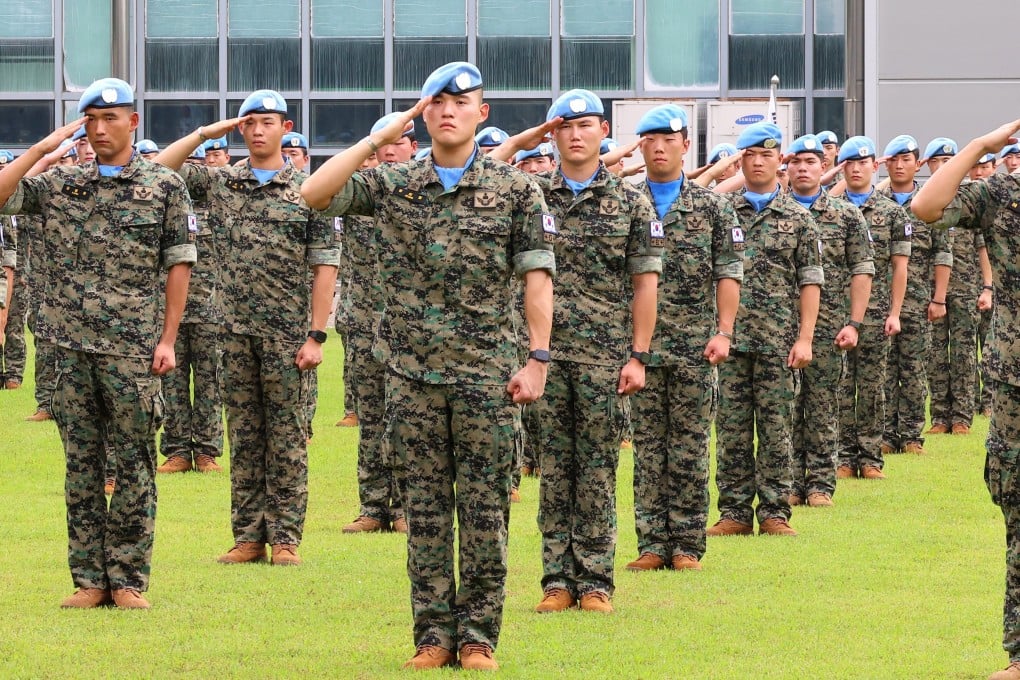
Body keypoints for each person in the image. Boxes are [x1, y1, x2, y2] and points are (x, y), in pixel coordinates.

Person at [301, 62, 555, 671]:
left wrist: (538, 358)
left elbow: (537, 280)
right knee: (426, 515)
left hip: (487, 376)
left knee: (486, 512)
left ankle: (477, 639)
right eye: (435, 101)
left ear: (481, 113)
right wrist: (378, 139)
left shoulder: (515, 190)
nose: (447, 110)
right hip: (412, 377)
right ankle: (433, 636)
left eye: (460, 101)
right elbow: (313, 195)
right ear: (423, 112)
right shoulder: (395, 183)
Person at [0, 77, 197, 609]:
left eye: (112, 118)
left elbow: (178, 263)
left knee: (134, 462)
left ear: (134, 122)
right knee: (81, 463)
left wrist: (168, 338)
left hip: (133, 348)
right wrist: (43, 149)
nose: (101, 128)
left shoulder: (162, 186)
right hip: (68, 349)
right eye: (92, 119)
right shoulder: (62, 184)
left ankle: (128, 580)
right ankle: (89, 579)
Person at [490, 89, 660, 611]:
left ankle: (595, 581)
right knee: (552, 470)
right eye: (564, 126)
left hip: (605, 357)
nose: (576, 133)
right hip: (543, 357)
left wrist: (639, 355)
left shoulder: (632, 200)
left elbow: (645, 283)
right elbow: (484, 167)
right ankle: (557, 581)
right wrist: (525, 139)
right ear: (552, 135)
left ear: (604, 131)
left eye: (586, 124)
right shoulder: (529, 194)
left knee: (598, 469)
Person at [156, 88, 340, 567]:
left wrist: (317, 334)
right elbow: (160, 170)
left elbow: (325, 266)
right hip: (232, 331)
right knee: (244, 435)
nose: (258, 131)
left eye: (268, 122)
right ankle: (248, 536)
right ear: (240, 129)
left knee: (287, 438)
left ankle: (286, 539)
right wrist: (203, 132)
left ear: (285, 127)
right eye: (250, 123)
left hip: (287, 335)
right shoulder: (223, 183)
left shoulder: (308, 189)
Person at [911, 117, 1020, 680]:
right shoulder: (1002, 194)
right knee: (1017, 505)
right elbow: (926, 208)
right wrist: (980, 146)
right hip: (1014, 380)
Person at [622, 104, 741, 571]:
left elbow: (729, 271)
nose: (658, 146)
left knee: (690, 447)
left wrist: (724, 330)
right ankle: (652, 542)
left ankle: (688, 543)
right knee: (648, 448)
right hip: (641, 351)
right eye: (650, 139)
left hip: (694, 345)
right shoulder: (628, 202)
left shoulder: (712, 206)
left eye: (668, 139)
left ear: (686, 145)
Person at [707, 122, 823, 538]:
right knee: (733, 429)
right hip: (730, 342)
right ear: (741, 161)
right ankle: (734, 512)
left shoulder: (798, 219)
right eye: (750, 155)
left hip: (777, 341)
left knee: (777, 429)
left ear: (781, 162)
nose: (758, 162)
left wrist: (806, 337)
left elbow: (810, 280)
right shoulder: (722, 213)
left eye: (767, 155)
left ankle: (775, 511)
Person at [786, 134, 874, 507]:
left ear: (824, 168)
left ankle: (820, 483)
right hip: (778, 327)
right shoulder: (774, 212)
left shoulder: (845, 215)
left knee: (821, 406)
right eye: (796, 163)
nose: (803, 169)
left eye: (810, 163)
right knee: (783, 409)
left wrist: (854, 322)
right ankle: (787, 483)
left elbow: (862, 270)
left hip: (827, 328)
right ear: (786, 168)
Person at [340, 113, 414, 535]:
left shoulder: (420, 194)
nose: (389, 148)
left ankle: (405, 507)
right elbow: (323, 187)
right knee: (370, 420)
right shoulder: (359, 193)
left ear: (412, 148)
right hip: (365, 324)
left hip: (408, 329)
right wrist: (365, 149)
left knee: (406, 420)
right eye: (381, 141)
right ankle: (373, 506)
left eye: (398, 141)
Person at [833, 136, 911, 478]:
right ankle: (844, 456)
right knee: (838, 384)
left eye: (862, 163)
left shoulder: (892, 213)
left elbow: (900, 267)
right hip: (835, 312)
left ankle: (869, 457)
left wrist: (895, 312)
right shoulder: (831, 210)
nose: (855, 168)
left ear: (873, 167)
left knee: (872, 385)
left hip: (877, 312)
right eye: (849, 163)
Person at [156, 130, 226, 475]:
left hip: (212, 310)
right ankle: (177, 451)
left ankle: (208, 451)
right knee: (172, 382)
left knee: (211, 383)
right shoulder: (167, 205)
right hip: (171, 311)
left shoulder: (222, 199)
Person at [880, 137, 952, 457]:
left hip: (918, 300)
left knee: (913, 369)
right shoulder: (876, 202)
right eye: (893, 159)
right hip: (879, 301)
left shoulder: (928, 203)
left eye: (906, 159)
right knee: (882, 370)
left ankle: (911, 435)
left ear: (917, 164)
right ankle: (884, 433)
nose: (899, 165)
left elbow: (943, 255)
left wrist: (939, 299)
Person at [926, 152, 994, 436]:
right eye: (937, 162)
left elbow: (983, 250)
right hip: (933, 292)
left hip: (966, 289)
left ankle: (962, 417)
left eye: (948, 161)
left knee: (965, 354)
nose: (943, 167)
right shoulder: (928, 202)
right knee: (936, 354)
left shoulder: (968, 204)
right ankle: (940, 416)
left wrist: (988, 287)